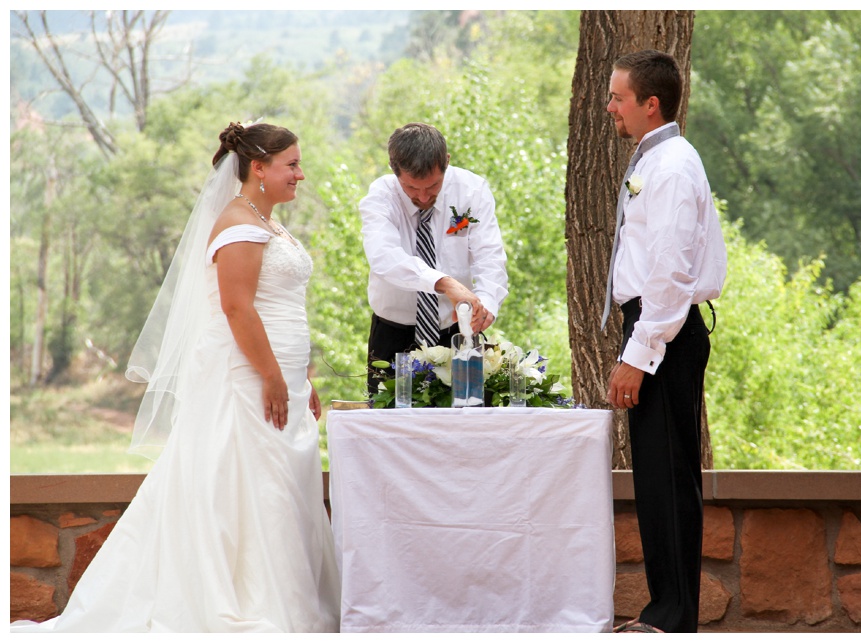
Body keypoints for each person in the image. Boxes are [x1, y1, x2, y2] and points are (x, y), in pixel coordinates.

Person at [12, 122, 341, 632]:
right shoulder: (239, 224)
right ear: (259, 168)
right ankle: (252, 604)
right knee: (248, 487)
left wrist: (299, 377)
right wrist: (274, 377)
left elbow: (279, 308)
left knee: (278, 490)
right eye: (291, 164)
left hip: (281, 376)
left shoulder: (266, 221)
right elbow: (237, 309)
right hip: (247, 378)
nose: (300, 173)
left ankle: (287, 601)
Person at [601, 49, 727, 634]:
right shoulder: (656, 157)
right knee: (655, 478)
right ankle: (664, 613)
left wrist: (639, 354)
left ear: (651, 105)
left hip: (665, 333)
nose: (610, 107)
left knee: (669, 479)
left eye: (618, 97)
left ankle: (673, 620)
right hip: (654, 327)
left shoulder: (673, 166)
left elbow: (672, 274)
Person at [359, 123, 508, 398]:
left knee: (464, 424)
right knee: (392, 429)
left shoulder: (471, 192)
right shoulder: (381, 196)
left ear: (447, 162)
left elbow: (489, 257)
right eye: (411, 188)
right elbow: (384, 257)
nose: (423, 197)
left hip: (457, 331)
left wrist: (485, 304)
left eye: (433, 185)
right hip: (394, 335)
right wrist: (444, 283)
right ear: (394, 171)